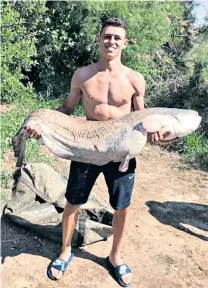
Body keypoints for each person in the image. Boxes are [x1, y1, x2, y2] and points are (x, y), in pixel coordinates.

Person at [25, 18, 166, 287]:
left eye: (117, 38)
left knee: (121, 208)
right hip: (86, 148)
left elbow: (141, 117)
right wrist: (43, 125)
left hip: (120, 153)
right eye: (107, 36)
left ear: (125, 43)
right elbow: (66, 109)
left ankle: (115, 256)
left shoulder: (135, 79)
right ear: (99, 39)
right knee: (73, 202)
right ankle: (65, 251)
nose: (111, 41)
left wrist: (158, 134)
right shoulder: (82, 75)